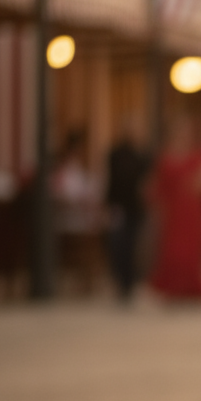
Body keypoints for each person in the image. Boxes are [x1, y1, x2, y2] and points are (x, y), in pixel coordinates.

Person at [149, 116, 201, 300]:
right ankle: (173, 287)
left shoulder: (199, 153)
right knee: (173, 248)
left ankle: (192, 287)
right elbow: (158, 185)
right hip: (173, 211)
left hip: (193, 210)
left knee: (192, 249)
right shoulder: (166, 155)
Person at [52, 129, 103, 294]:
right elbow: (63, 195)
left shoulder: (79, 170)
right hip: (68, 221)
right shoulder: (62, 171)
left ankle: (88, 281)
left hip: (81, 219)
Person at [105, 121, 150, 302]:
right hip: (120, 206)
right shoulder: (116, 154)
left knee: (132, 245)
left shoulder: (142, 155)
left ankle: (130, 282)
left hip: (136, 208)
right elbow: (113, 181)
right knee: (119, 245)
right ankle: (122, 281)